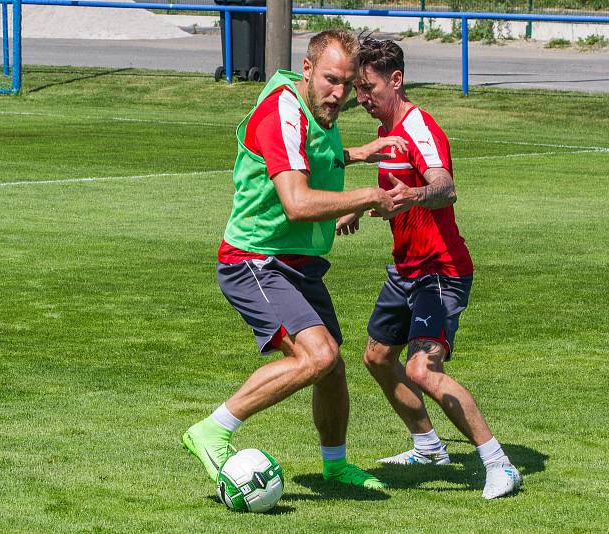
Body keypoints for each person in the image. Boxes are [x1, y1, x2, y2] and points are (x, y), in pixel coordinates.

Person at [182, 30, 409, 491]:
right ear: (307, 69)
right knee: (317, 354)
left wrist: (357, 154)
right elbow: (297, 203)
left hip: (297, 262)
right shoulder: (282, 108)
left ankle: (336, 465)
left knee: (333, 366)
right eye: (330, 80)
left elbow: (312, 155)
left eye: (349, 84)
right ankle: (213, 429)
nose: (339, 93)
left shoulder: (316, 110)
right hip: (255, 259)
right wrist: (369, 195)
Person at [337, 37, 522, 499]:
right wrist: (359, 208)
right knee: (378, 358)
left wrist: (414, 195)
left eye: (368, 87)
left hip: (440, 271)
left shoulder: (419, 128)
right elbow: (392, 188)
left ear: (396, 80)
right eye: (357, 89)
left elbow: (444, 186)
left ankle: (499, 463)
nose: (361, 98)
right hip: (406, 269)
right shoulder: (389, 135)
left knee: (422, 367)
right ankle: (429, 446)